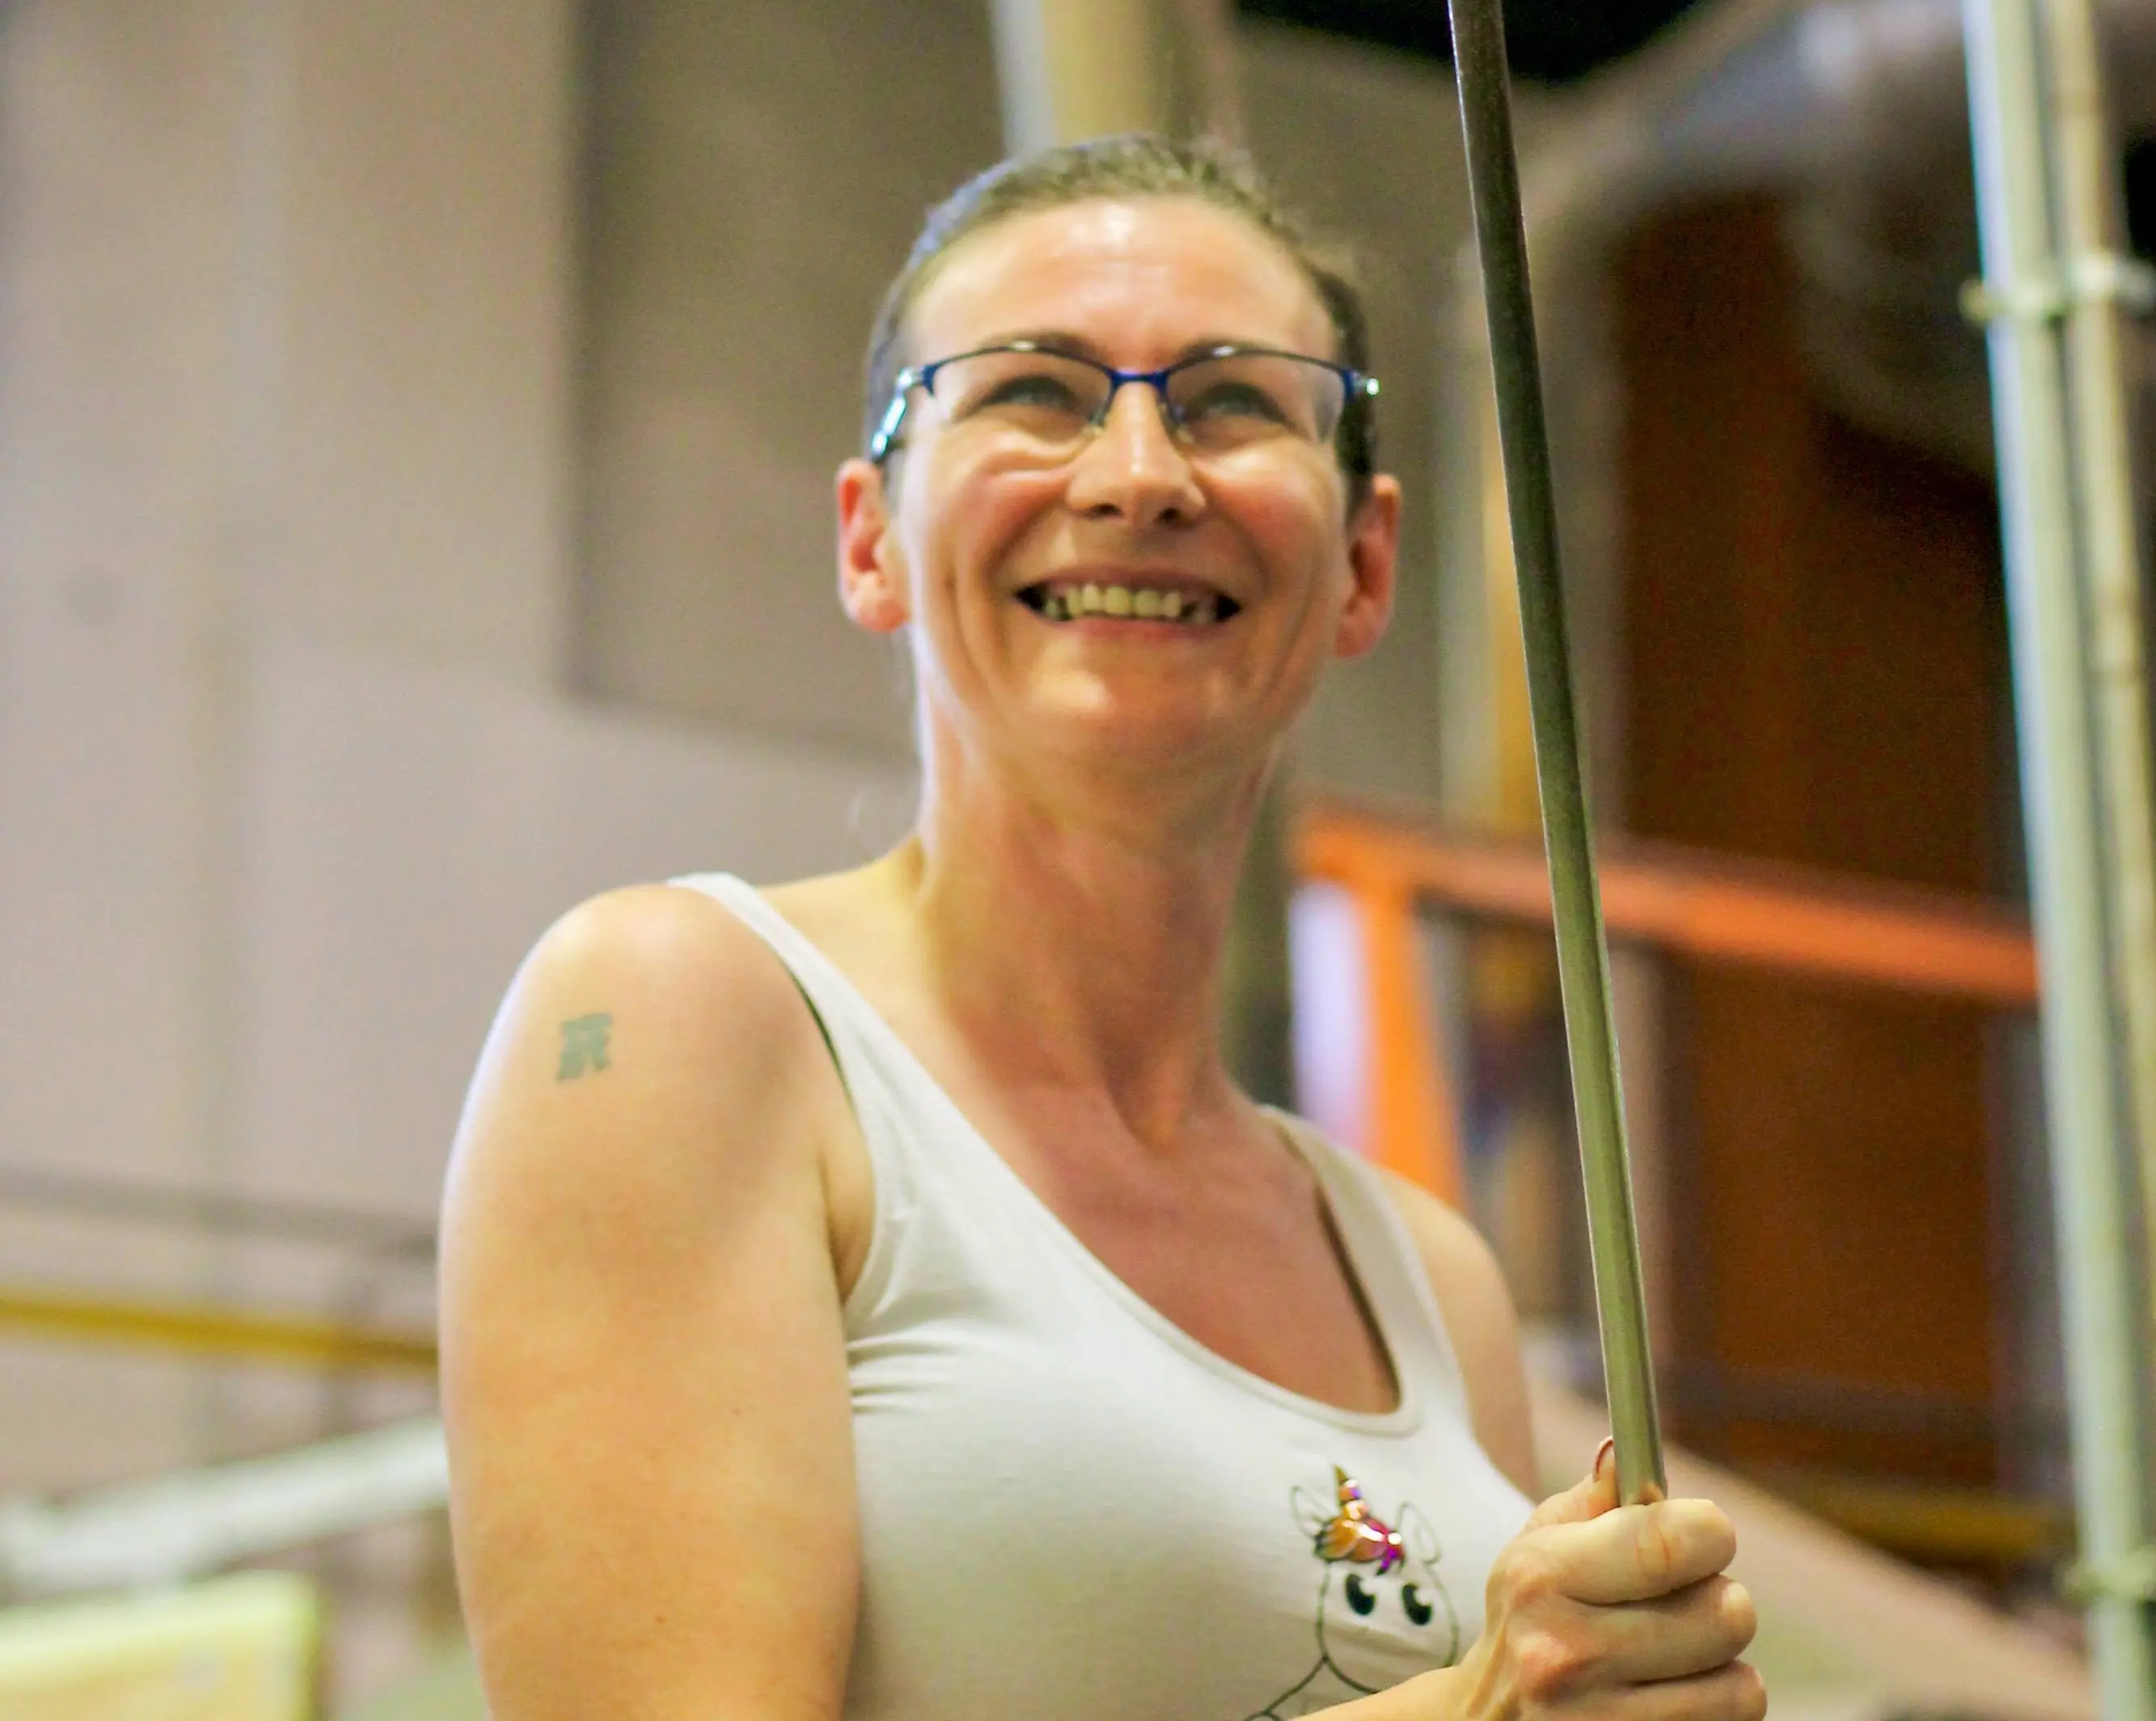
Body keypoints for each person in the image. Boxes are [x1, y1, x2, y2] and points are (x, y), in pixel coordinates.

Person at [441, 135, 1762, 1721]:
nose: (1139, 471)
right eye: (1032, 391)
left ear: (1361, 562)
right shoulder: (676, 1016)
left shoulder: (1425, 1272)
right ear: (869, 536)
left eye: (1232, 401)